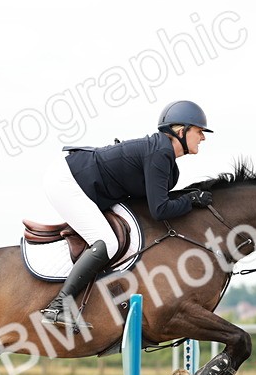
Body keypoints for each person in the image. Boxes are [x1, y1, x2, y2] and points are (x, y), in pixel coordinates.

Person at [39, 100, 215, 327]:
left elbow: (155, 200)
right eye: (199, 131)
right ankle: (58, 306)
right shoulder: (160, 152)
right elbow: (159, 210)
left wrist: (189, 197)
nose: (203, 137)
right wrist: (191, 200)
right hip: (67, 180)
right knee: (108, 243)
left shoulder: (165, 158)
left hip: (81, 180)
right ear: (181, 131)